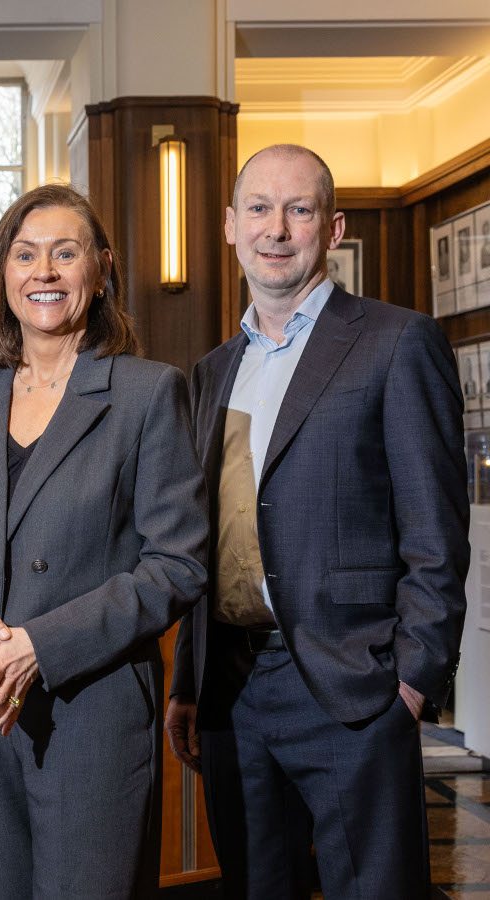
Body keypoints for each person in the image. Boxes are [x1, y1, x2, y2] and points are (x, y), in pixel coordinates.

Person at [164, 144, 468, 899]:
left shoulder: (396, 342)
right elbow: (209, 537)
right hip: (233, 693)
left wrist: (413, 680)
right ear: (230, 226)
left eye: (298, 210)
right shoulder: (212, 371)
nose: (276, 229)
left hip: (353, 689)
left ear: (331, 230)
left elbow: (436, 533)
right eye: (259, 209)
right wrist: (188, 682)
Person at [0, 183, 208, 899]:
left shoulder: (146, 393)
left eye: (65, 253)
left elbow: (176, 564)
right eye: (25, 254)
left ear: (100, 270)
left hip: (95, 715)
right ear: (2, 275)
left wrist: (41, 645)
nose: (43, 271)